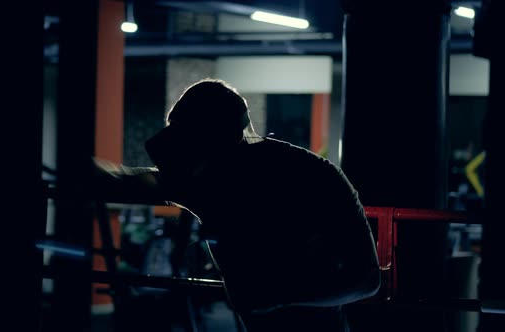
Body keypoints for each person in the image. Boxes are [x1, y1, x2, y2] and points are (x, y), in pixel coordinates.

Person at [91, 78, 380, 332]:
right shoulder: (207, 179)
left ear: (225, 139)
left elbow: (366, 281)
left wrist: (276, 295)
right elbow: (131, 182)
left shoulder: (314, 177)